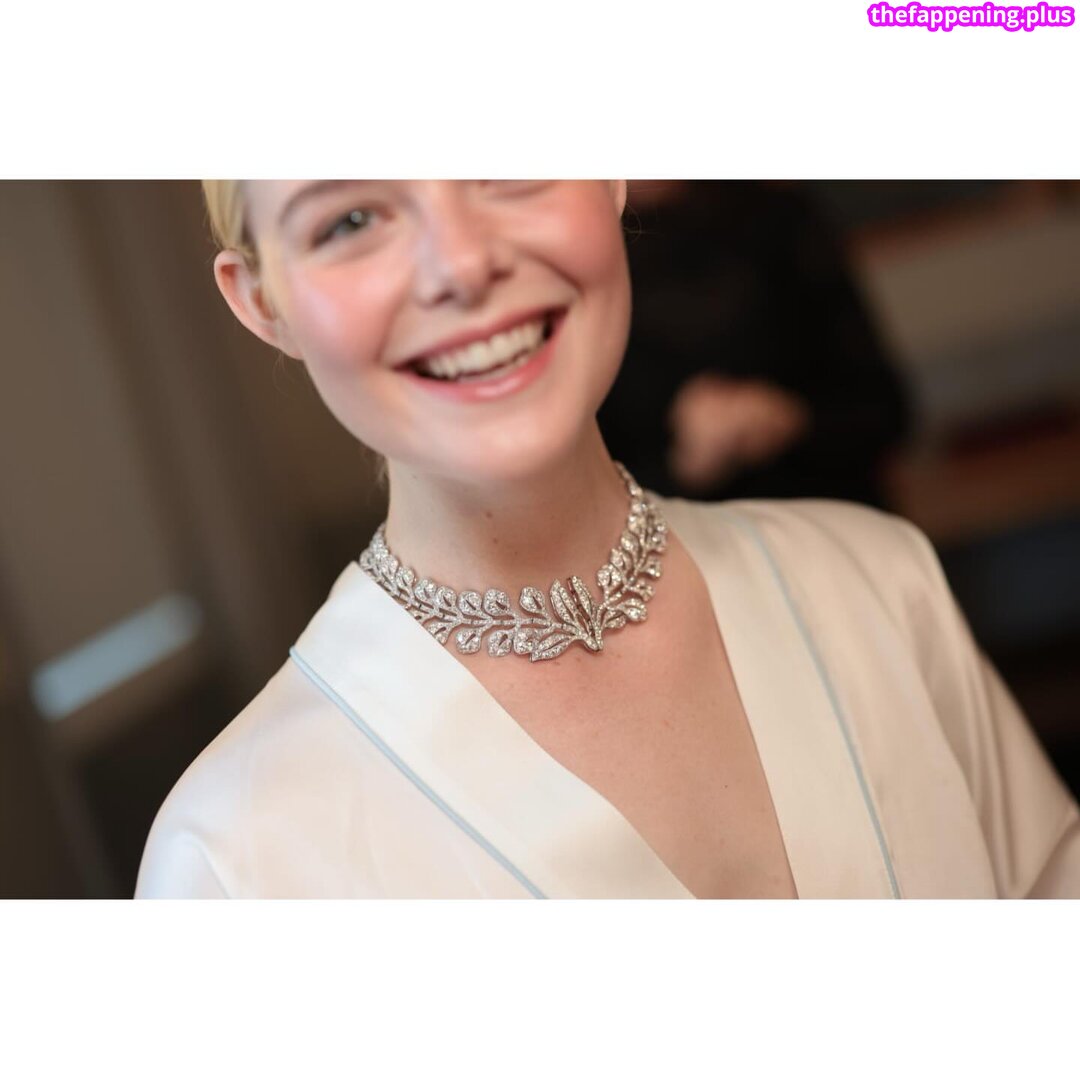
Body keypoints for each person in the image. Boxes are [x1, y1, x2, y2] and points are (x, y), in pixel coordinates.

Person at [135, 181, 1079, 898]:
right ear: (262, 301)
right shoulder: (231, 855)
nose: (461, 263)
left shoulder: (879, 585)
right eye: (349, 220)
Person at [600, 181, 912, 506]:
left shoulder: (776, 216)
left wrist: (788, 418)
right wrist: (682, 469)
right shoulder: (590, 264)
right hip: (679, 523)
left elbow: (885, 406)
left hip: (830, 501)